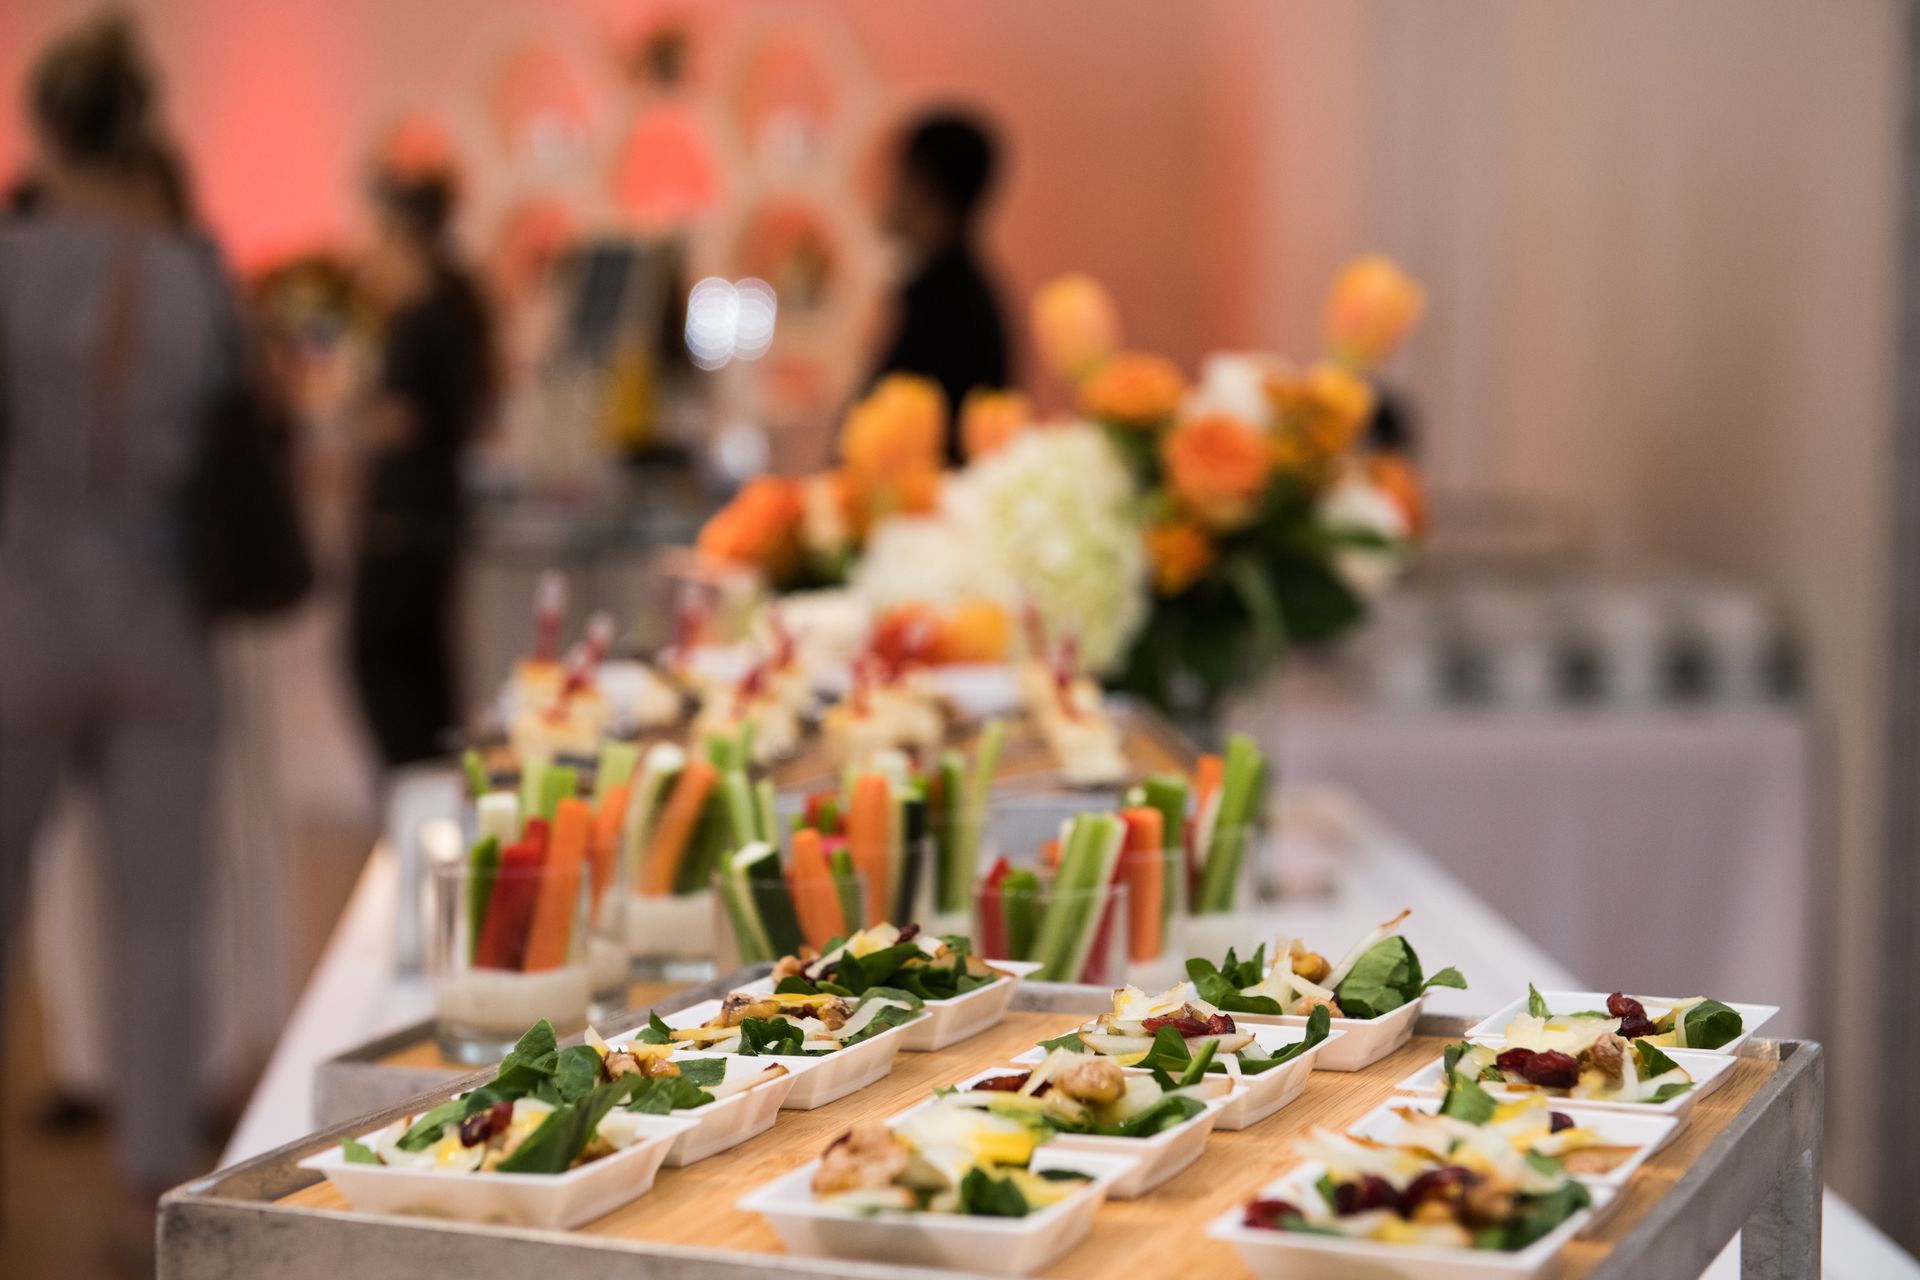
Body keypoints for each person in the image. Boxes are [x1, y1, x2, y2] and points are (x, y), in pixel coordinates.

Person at [0, 13, 232, 1237]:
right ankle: (158, 1178)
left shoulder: (11, 262)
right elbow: (241, 441)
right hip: (162, 614)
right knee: (160, 914)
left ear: (44, 126)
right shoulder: (194, 271)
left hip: (23, 606)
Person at [348, 170, 494, 768]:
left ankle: (415, 791)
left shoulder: (423, 314)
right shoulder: (461, 303)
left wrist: (353, 407)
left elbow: (409, 418)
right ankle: (432, 789)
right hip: (437, 512)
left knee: (382, 664)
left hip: (405, 518)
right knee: (426, 669)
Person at [871, 110, 1010, 463]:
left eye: (898, 176)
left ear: (922, 188)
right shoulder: (965, 293)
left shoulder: (946, 308)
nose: (888, 192)